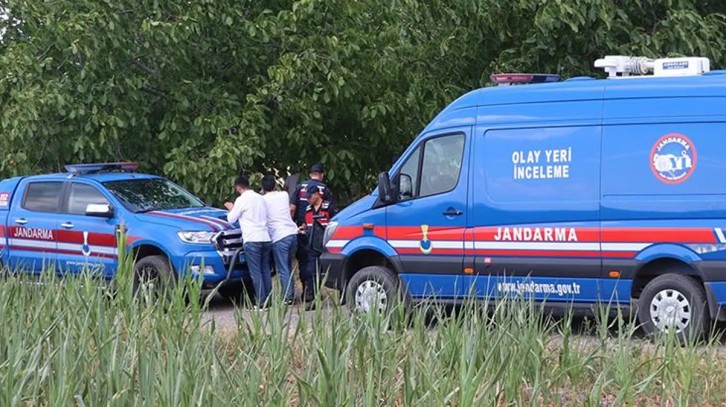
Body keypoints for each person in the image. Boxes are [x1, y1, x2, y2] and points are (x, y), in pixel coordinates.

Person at [225, 175, 272, 308]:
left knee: (256, 272)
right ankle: (269, 300)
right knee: (265, 270)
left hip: (252, 239)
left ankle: (261, 302)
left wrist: (231, 208)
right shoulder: (260, 198)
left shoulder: (241, 200)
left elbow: (231, 219)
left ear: (238, 187)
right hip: (265, 237)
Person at [290, 163, 336, 299]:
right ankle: (314, 291)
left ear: (310, 174)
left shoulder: (299, 187)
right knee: (317, 263)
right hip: (317, 232)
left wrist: (293, 225)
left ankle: (307, 291)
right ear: (322, 175)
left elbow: (292, 208)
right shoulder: (325, 189)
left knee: (305, 263)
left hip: (304, 231)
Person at [261, 174, 299, 305]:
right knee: (288, 266)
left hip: (279, 236)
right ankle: (290, 293)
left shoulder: (263, 200)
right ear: (275, 185)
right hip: (292, 233)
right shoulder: (284, 195)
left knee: (283, 268)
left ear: (263, 188)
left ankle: (288, 297)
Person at [300, 182, 337, 310]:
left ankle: (343, 294)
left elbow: (337, 224)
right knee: (310, 272)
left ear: (317, 195)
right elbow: (307, 224)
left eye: (310, 197)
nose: (308, 200)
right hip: (312, 247)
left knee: (334, 271)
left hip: (328, 245)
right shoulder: (308, 210)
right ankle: (314, 298)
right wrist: (302, 228)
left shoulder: (329, 207)